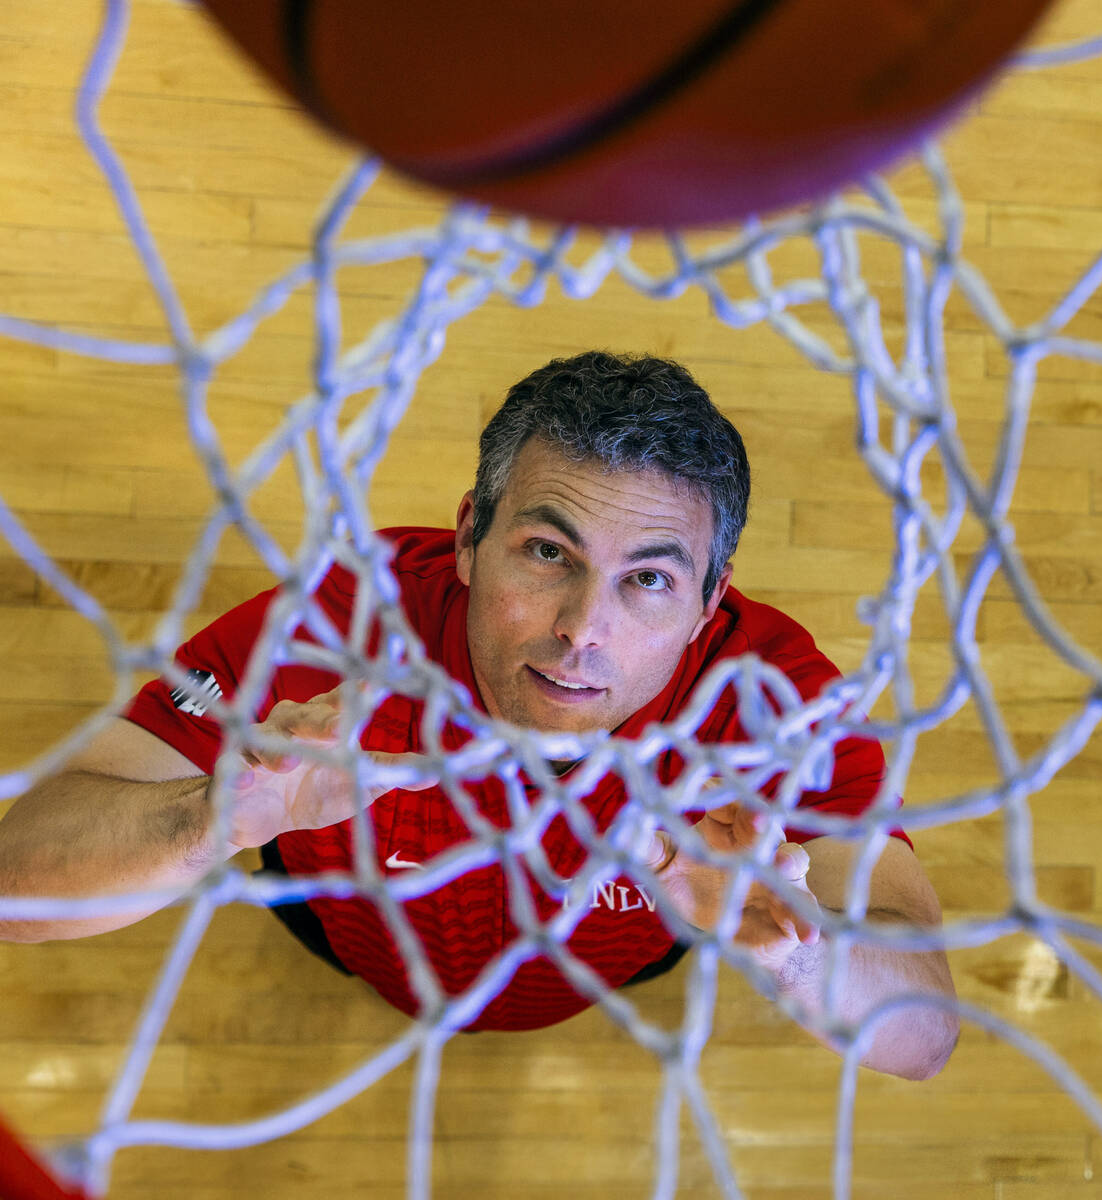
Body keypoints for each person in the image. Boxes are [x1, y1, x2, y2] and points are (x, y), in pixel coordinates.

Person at [0, 351, 959, 1080]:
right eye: (547, 552)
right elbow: (15, 888)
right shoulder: (333, 625)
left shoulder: (773, 699)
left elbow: (924, 1037)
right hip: (352, 941)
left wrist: (797, 955)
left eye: (648, 580)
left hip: (606, 972)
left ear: (710, 601)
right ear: (469, 537)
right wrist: (217, 816)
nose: (582, 629)